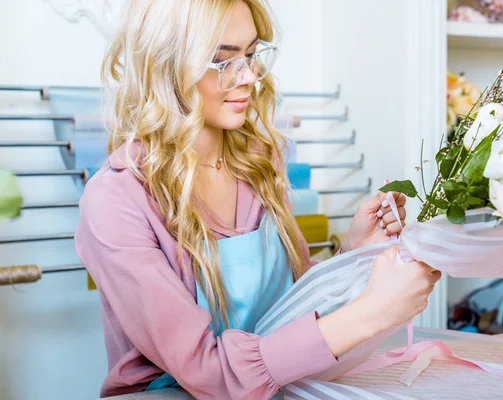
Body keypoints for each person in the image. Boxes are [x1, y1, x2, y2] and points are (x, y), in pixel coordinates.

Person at [74, 0, 441, 398]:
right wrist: (374, 311)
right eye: (222, 60)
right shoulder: (116, 199)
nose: (249, 75)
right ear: (166, 66)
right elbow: (207, 373)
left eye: (250, 54)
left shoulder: (257, 164)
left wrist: (351, 254)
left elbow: (291, 309)